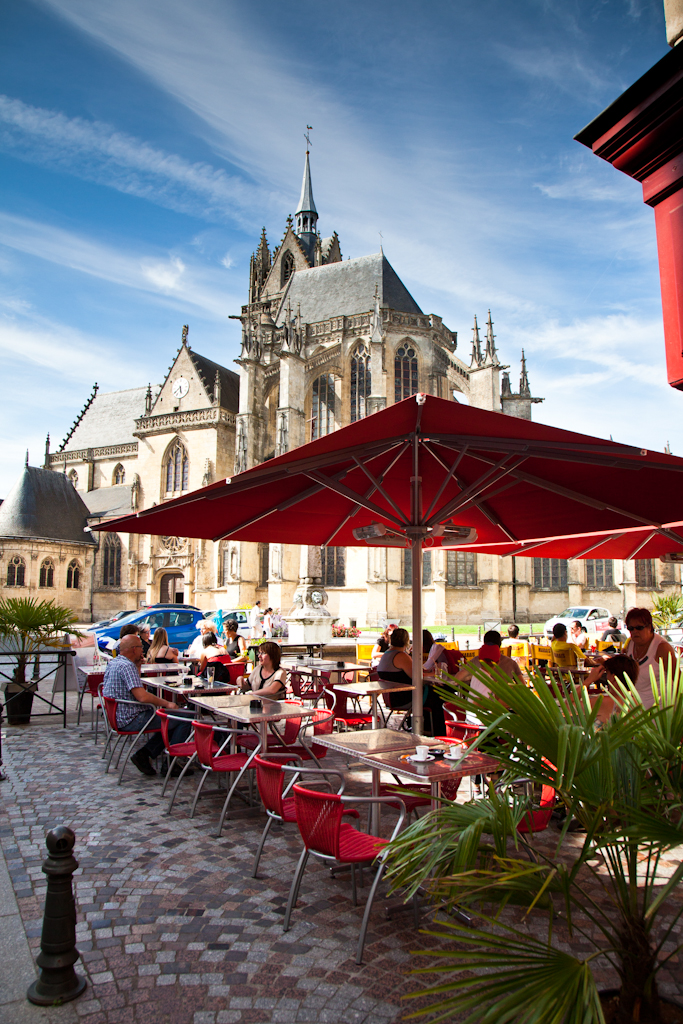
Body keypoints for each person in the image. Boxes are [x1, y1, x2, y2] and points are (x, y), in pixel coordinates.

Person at [102, 634, 191, 776]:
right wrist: (167, 703)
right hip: (132, 718)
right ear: (133, 649)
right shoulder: (126, 666)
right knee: (183, 719)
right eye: (141, 647)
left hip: (118, 716)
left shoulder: (115, 663)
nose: (143, 650)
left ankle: (145, 754)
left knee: (171, 720)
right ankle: (170, 763)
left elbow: (134, 685)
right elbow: (142, 696)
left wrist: (138, 665)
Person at [377, 627, 446, 736]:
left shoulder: (387, 654)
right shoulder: (401, 656)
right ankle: (439, 732)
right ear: (406, 641)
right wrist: (434, 674)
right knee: (440, 695)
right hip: (405, 697)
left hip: (393, 697)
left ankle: (429, 727)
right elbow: (417, 676)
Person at [454, 630, 523, 723]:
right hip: (490, 718)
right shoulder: (511, 663)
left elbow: (457, 679)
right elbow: (522, 686)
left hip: (476, 718)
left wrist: (470, 677)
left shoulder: (476, 665)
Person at [622, 607, 675, 708]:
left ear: (649, 627)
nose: (634, 631)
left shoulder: (662, 648)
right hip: (637, 707)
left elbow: (678, 680)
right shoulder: (630, 644)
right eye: (631, 628)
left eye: (639, 627)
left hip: (661, 709)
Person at [583, 654, 640, 723]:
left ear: (613, 677)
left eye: (607, 673)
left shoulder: (602, 702)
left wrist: (589, 680)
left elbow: (568, 706)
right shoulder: (637, 704)